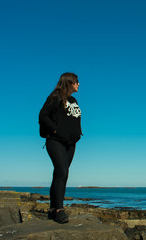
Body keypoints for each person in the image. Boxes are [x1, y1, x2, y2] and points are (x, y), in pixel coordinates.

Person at [39, 72, 82, 224]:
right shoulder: (56, 97)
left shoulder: (73, 100)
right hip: (56, 141)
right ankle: (59, 210)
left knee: (60, 174)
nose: (78, 84)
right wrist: (55, 130)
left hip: (70, 143)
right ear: (69, 82)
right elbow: (43, 115)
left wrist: (77, 133)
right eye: (76, 82)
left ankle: (52, 209)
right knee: (62, 172)